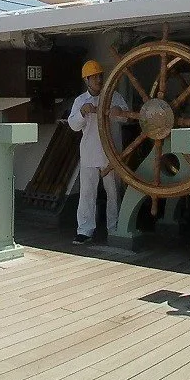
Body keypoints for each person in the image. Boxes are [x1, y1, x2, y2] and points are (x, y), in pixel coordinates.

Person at [66, 60, 128, 244]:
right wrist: (82, 113)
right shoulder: (80, 101)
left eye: (100, 76)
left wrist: (119, 112)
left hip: (111, 153)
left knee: (113, 193)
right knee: (87, 193)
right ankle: (84, 230)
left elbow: (126, 117)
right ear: (86, 80)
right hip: (90, 153)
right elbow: (73, 125)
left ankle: (114, 228)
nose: (99, 79)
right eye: (94, 77)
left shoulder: (114, 97)